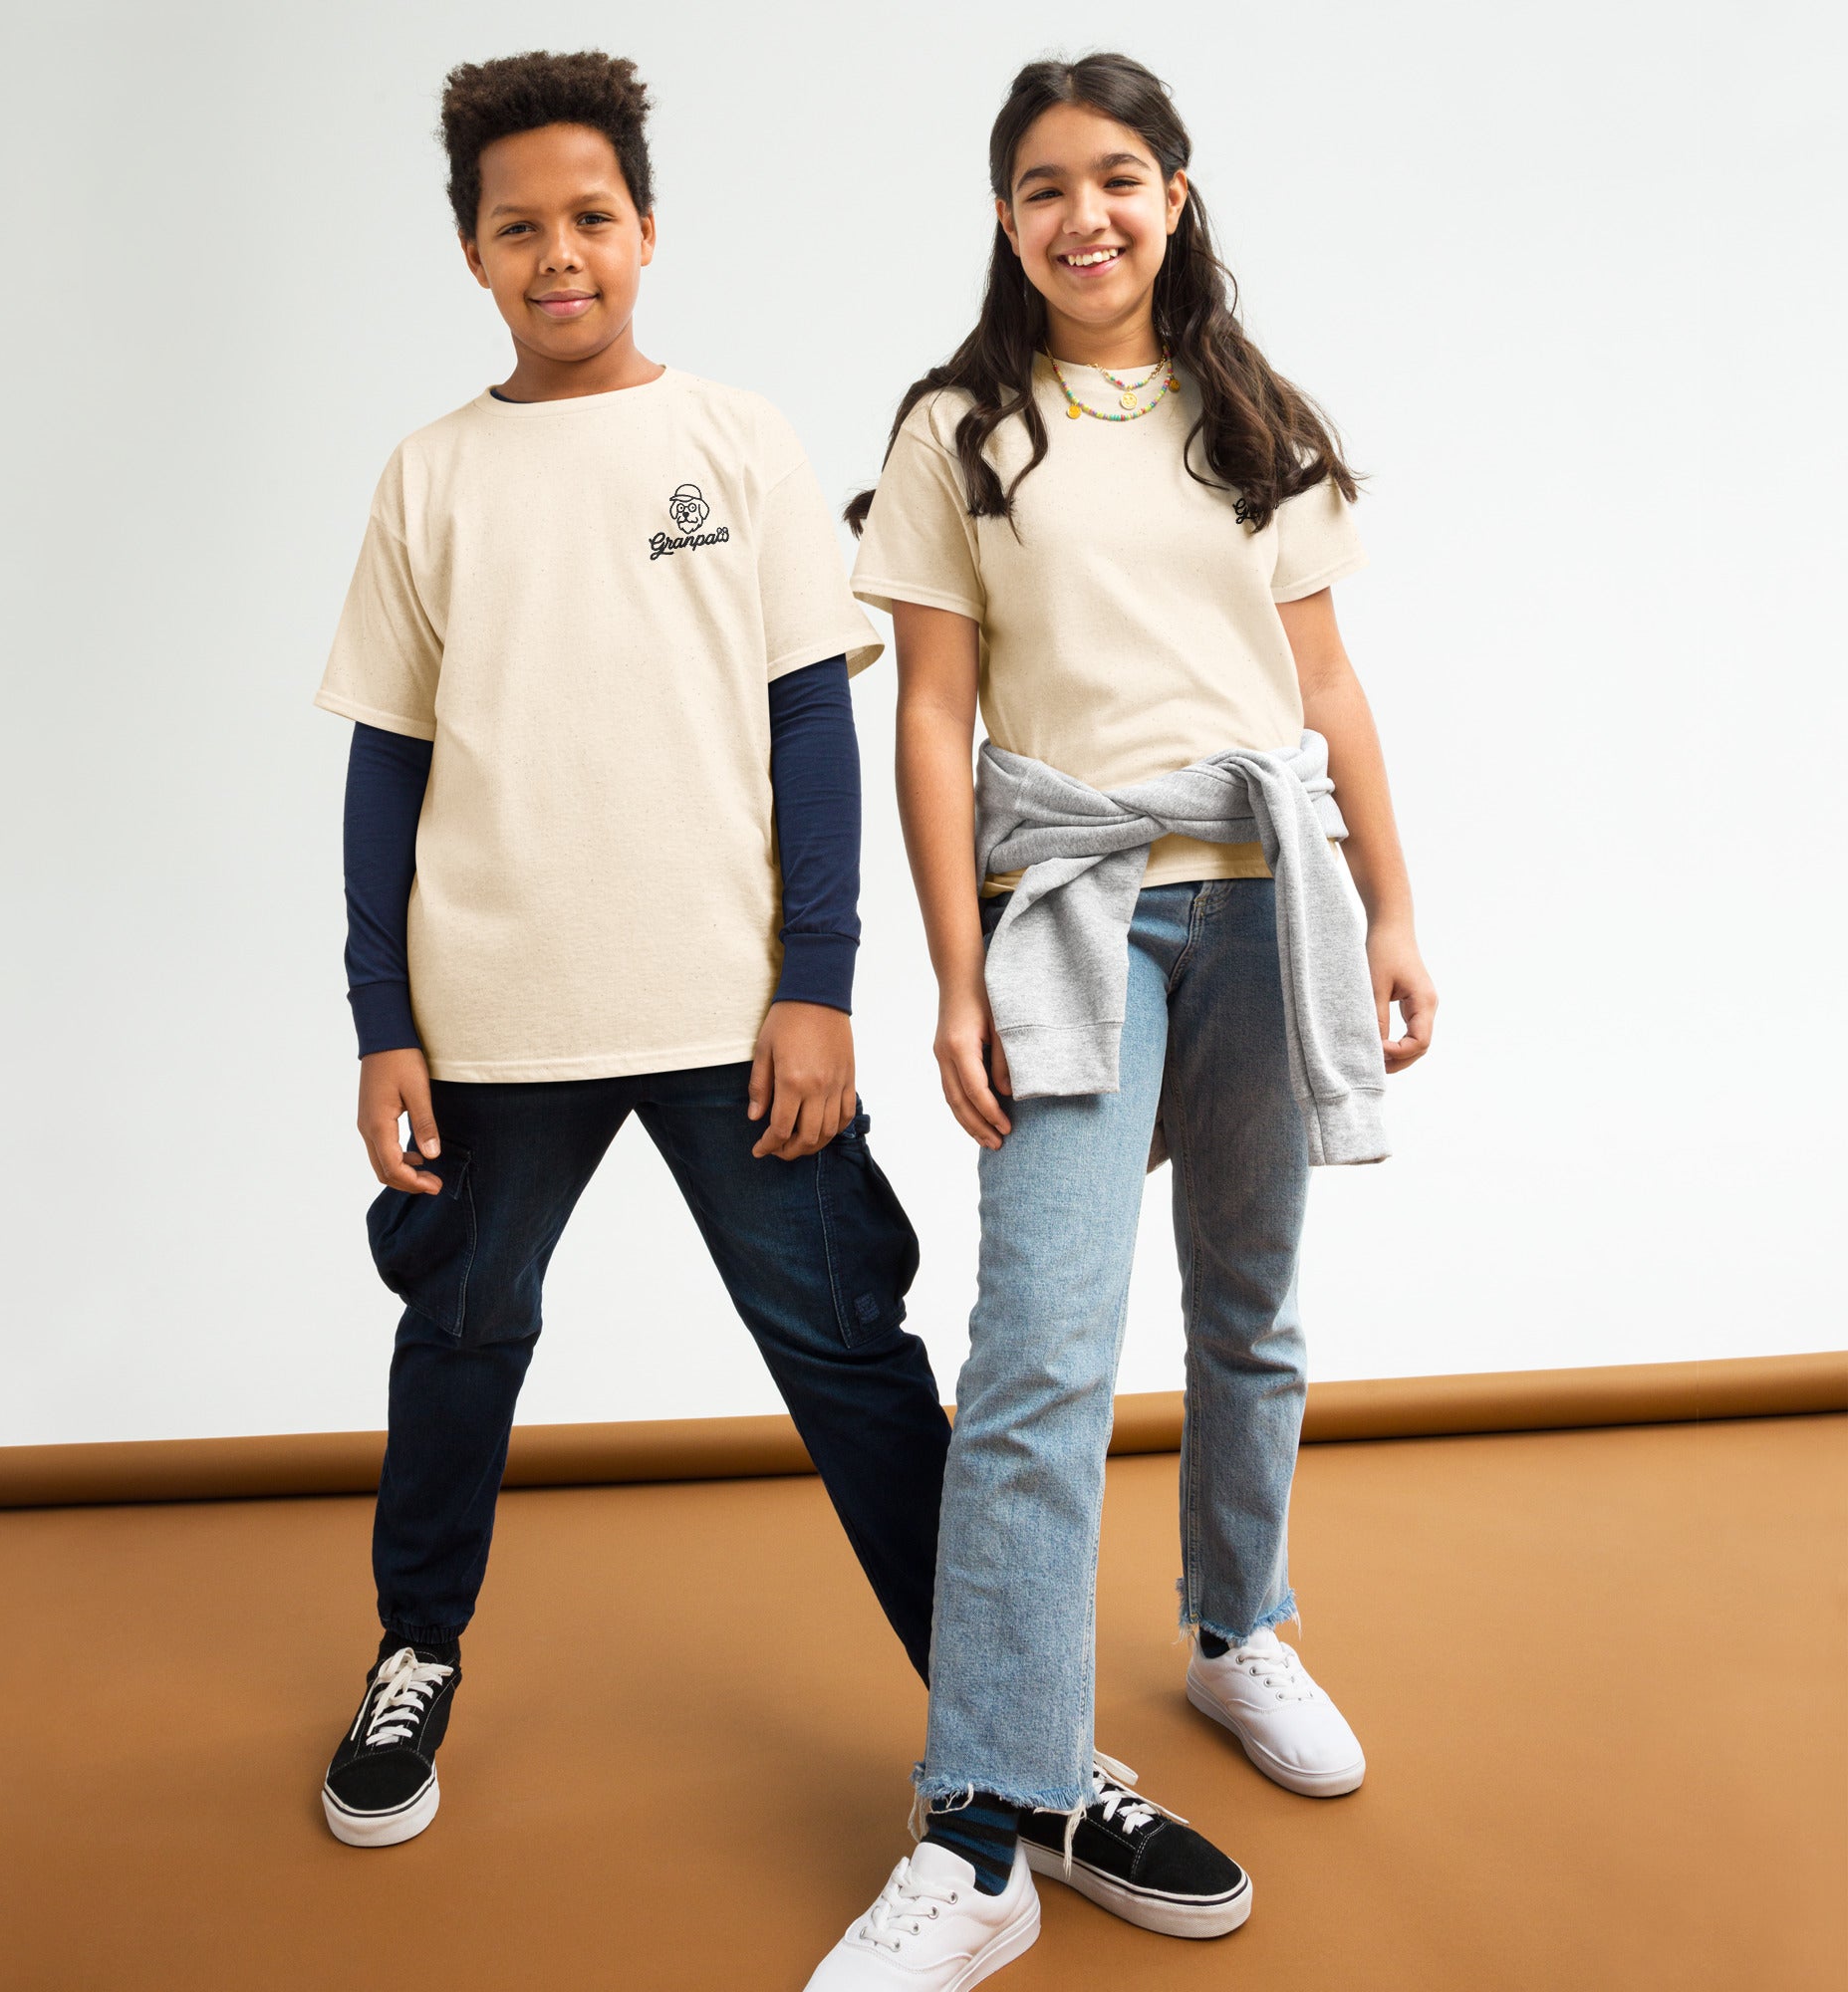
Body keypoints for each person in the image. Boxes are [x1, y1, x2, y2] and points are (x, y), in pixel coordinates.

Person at [806, 52, 1438, 1988]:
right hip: (1072, 907)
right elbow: (927, 715)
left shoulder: (1256, 419)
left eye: (1117, 176)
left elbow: (1322, 688)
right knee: (1037, 1357)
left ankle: (1238, 1624)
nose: (1082, 213)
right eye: (1038, 188)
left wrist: (1396, 905)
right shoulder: (958, 433)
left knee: (1247, 1303)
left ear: (1175, 194)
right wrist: (945, 969)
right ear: (1001, 221)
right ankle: (985, 1823)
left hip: (1270, 905)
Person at [307, 49, 955, 1851]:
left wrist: (815, 981)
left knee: (852, 1355)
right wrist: (384, 1021)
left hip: (730, 1012)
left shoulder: (735, 442)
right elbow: (387, 763)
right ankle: (415, 1650)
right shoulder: (430, 476)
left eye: (592, 216)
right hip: (494, 1014)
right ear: (473, 255)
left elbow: (810, 729)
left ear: (648, 231)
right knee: (460, 1332)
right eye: (520, 228)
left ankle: (1007, 1721)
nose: (560, 253)